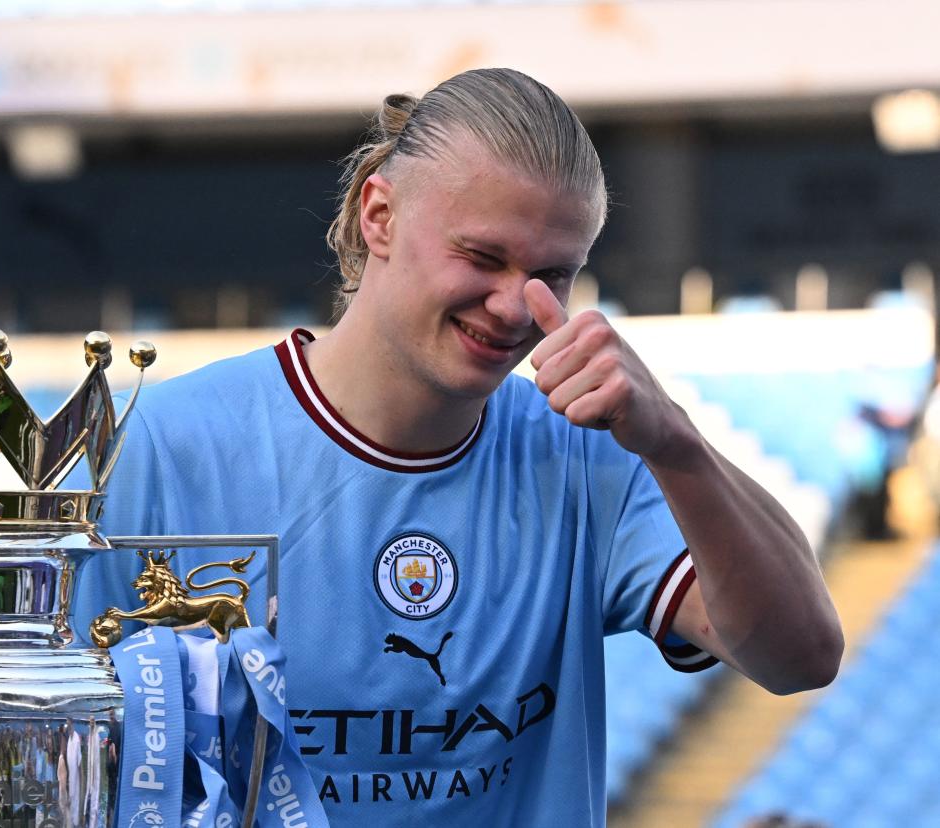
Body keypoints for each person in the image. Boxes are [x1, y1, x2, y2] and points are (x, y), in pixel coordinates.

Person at [77, 67, 843, 826]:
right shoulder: (166, 445)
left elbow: (800, 656)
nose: (515, 306)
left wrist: (678, 445)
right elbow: (76, 759)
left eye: (552, 275)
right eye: (483, 258)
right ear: (379, 216)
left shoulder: (587, 452)